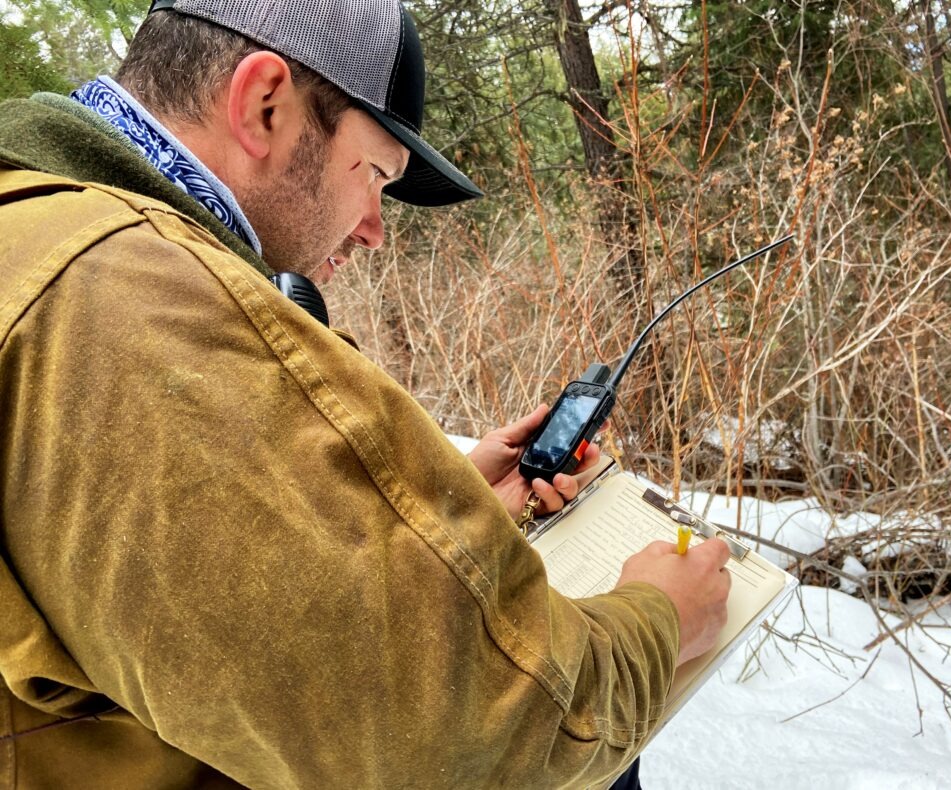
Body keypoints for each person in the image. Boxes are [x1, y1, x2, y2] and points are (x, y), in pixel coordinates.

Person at [0, 1, 731, 787]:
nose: (375, 228)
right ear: (264, 104)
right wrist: (658, 621)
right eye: (376, 174)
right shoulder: (127, 300)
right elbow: (459, 741)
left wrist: (410, 503)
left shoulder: (43, 232)